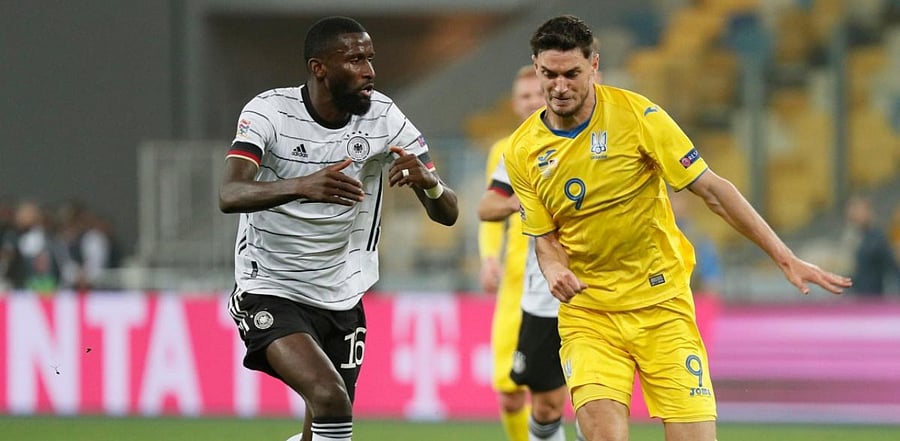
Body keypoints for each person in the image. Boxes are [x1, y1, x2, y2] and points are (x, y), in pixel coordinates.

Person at [502, 15, 852, 441]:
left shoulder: (638, 117)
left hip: (661, 305)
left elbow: (713, 191)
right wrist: (555, 268)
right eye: (549, 74)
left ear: (595, 66)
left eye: (571, 74)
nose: (559, 87)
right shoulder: (522, 151)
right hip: (590, 314)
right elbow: (544, 236)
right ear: (536, 67)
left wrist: (784, 256)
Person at [218, 16, 459, 441]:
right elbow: (230, 193)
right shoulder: (269, 112)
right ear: (319, 68)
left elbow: (448, 214)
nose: (368, 70)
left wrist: (430, 183)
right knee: (330, 398)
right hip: (271, 284)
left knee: (330, 424)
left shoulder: (385, 118)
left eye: (370, 58)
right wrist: (302, 186)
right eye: (354, 60)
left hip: (343, 291)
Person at [479, 156, 582, 441]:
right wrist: (515, 203)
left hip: (601, 293)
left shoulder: (610, 137)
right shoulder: (520, 149)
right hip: (542, 297)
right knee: (546, 407)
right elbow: (486, 207)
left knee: (595, 408)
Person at [478, 65, 545, 441]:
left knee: (559, 393)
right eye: (524, 96)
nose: (532, 100)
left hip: (563, 282)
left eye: (537, 93)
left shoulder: (572, 144)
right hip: (516, 286)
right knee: (509, 392)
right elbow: (490, 213)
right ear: (515, 104)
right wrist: (489, 257)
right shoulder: (503, 152)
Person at [843, 194, 900, 296]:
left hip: (872, 297)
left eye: (857, 210)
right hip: (856, 294)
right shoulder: (852, 237)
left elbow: (892, 267)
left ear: (868, 212)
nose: (853, 214)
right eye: (852, 210)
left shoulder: (877, 238)